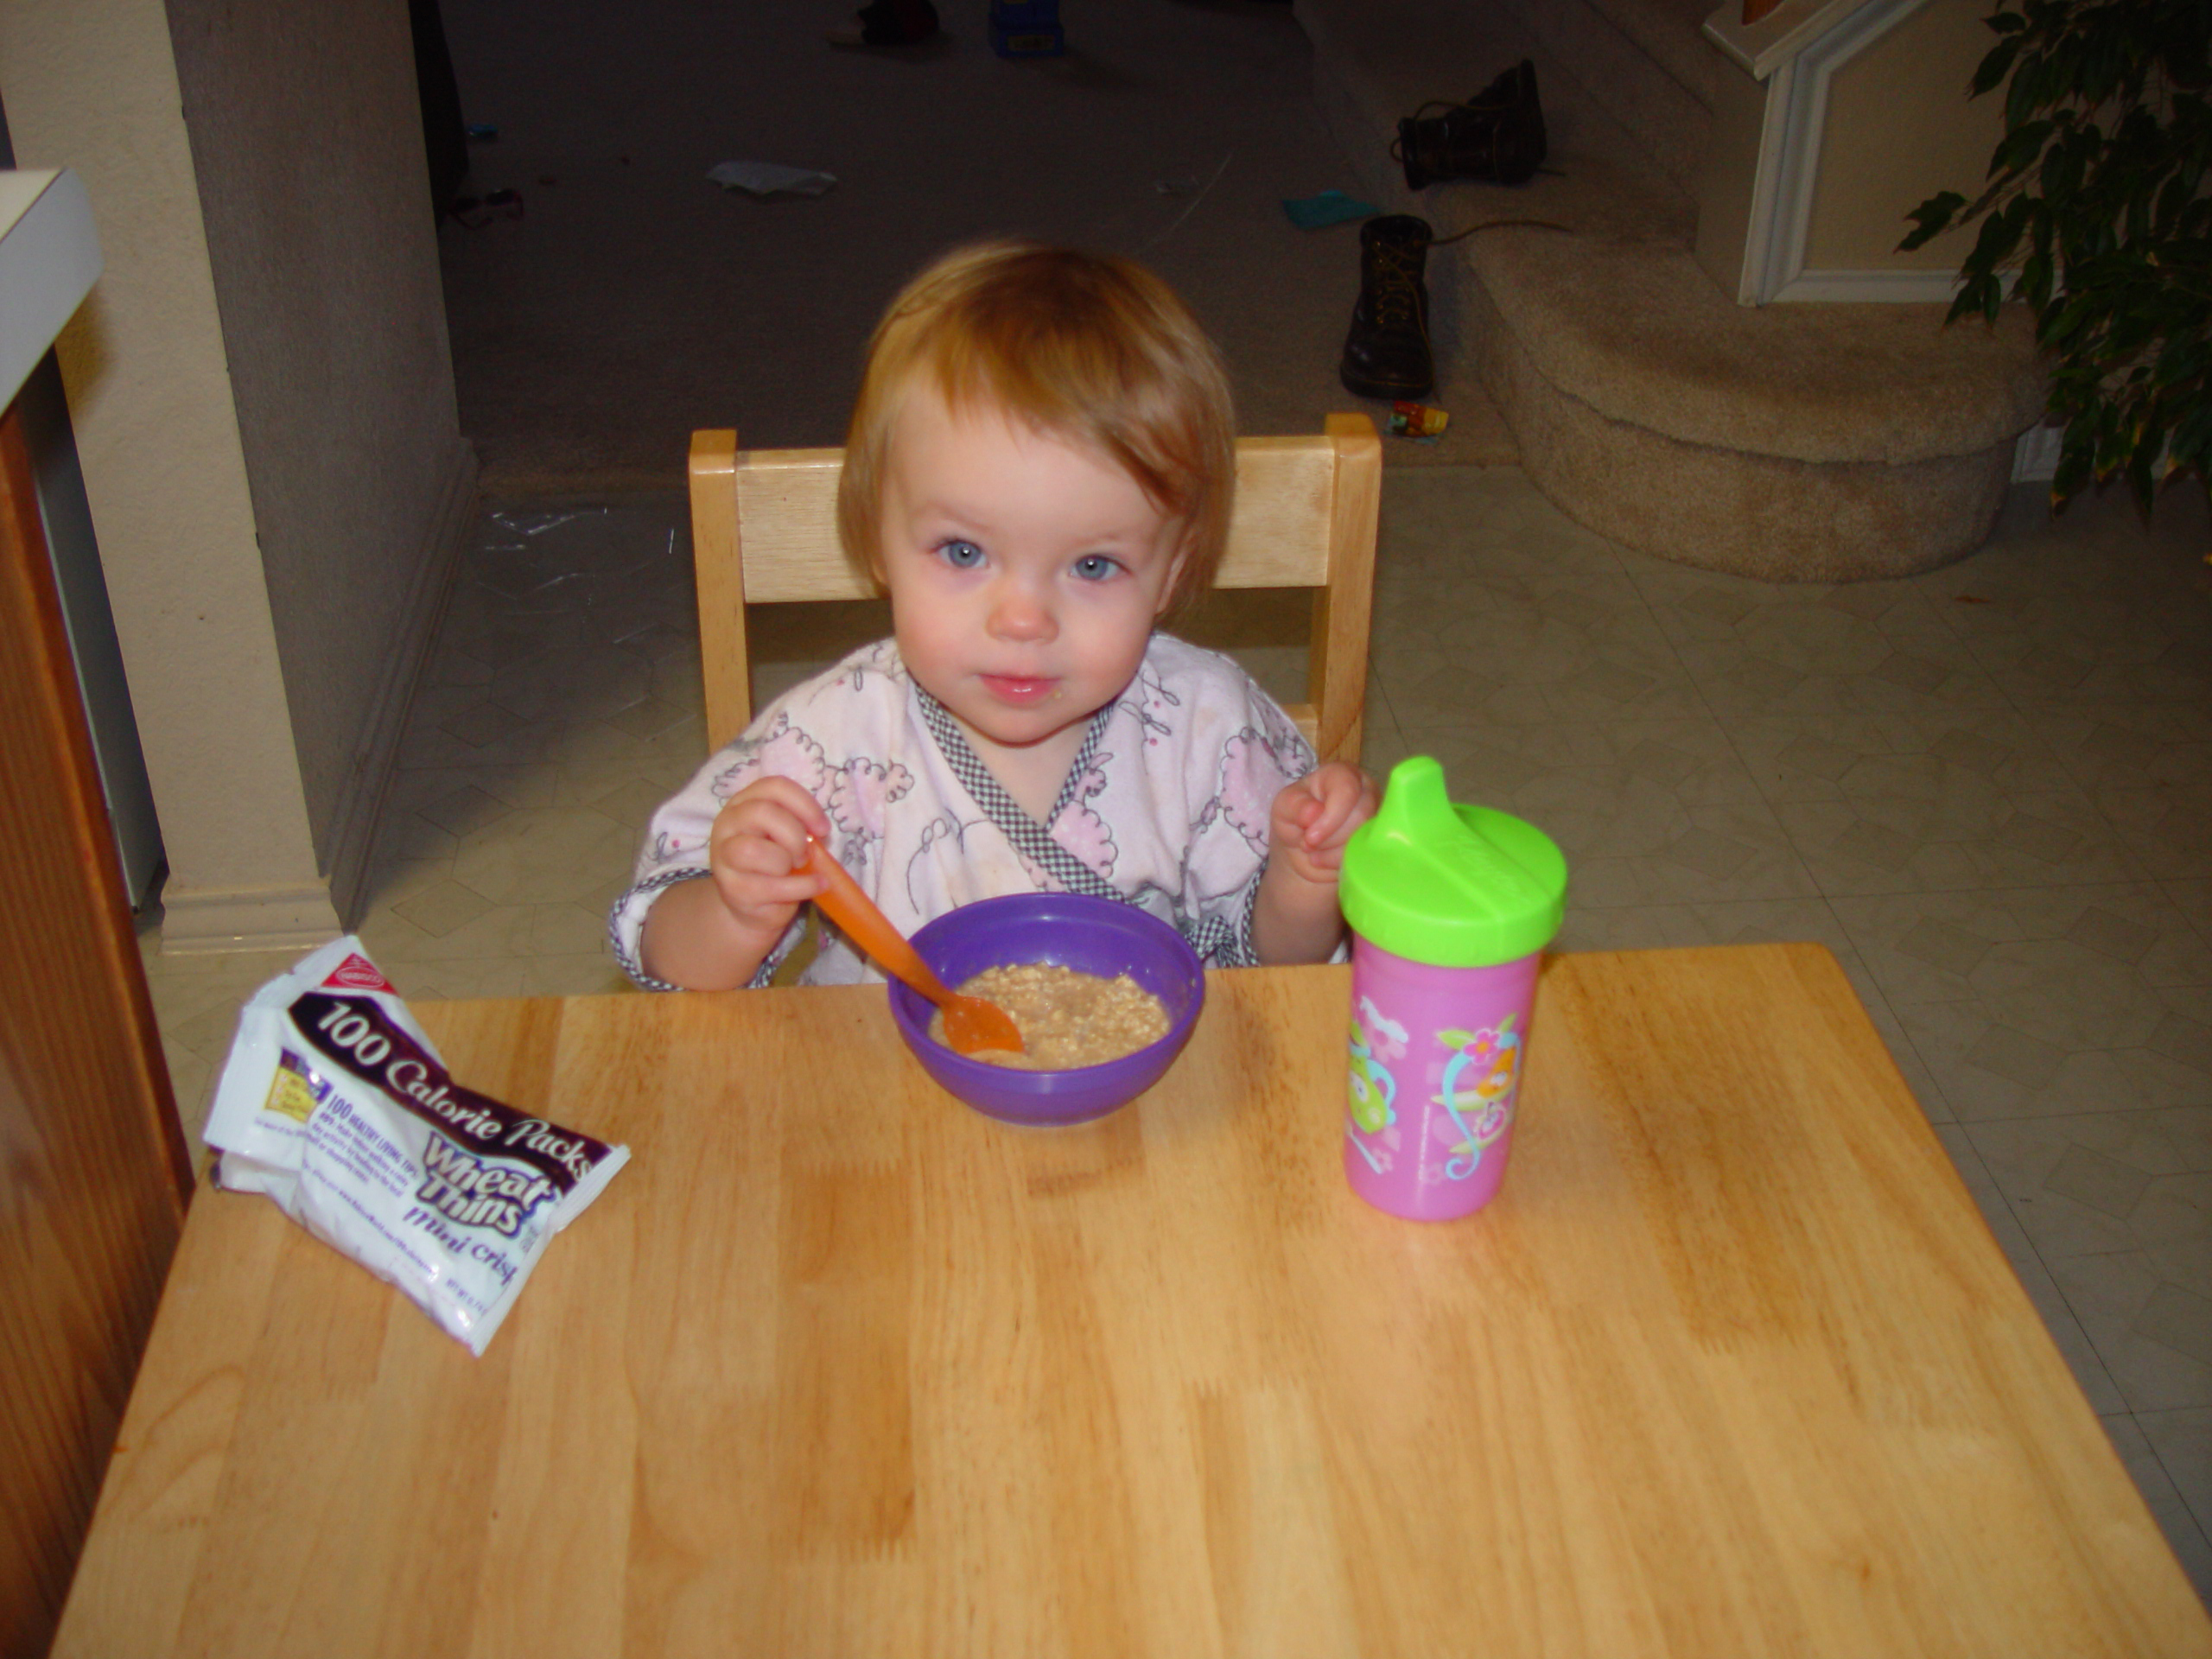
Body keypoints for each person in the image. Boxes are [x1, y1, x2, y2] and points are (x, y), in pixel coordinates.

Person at [612, 240, 1380, 992]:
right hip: (885, 1091)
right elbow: (664, 957)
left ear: (1169, 574)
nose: (1022, 621)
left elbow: (1277, 976)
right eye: (964, 552)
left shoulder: (1210, 728)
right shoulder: (834, 740)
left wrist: (1304, 881)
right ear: (879, 540)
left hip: (1146, 1099)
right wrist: (734, 913)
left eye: (1092, 566)